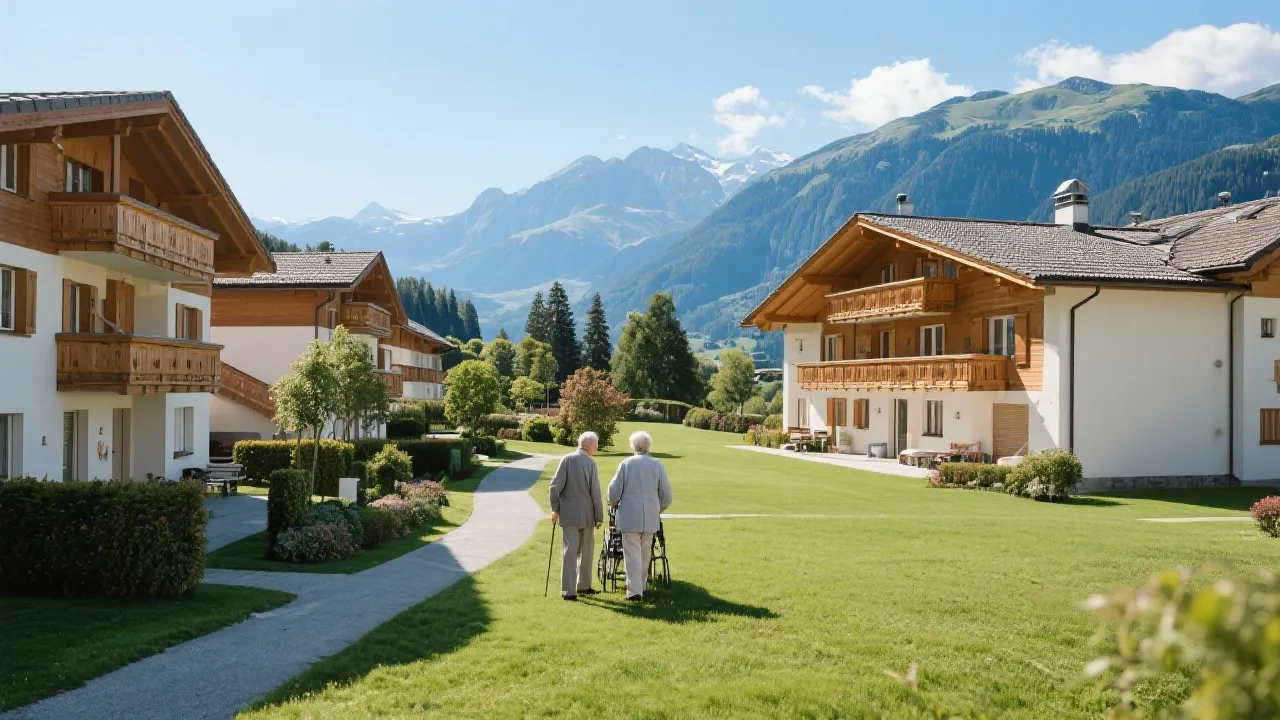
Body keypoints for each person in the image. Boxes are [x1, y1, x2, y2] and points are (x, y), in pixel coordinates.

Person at [607, 430, 673, 601]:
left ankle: (635, 591)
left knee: (632, 554)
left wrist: (612, 501)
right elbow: (666, 494)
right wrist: (658, 508)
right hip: (650, 514)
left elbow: (614, 490)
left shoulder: (626, 464)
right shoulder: (657, 465)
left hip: (630, 515)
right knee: (645, 553)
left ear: (633, 446)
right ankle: (641, 586)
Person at [548, 431, 603, 600]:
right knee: (586, 552)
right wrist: (599, 516)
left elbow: (555, 487)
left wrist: (555, 508)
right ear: (590, 445)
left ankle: (569, 591)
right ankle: (583, 586)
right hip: (587, 515)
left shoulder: (567, 459)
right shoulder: (591, 463)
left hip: (569, 514)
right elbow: (596, 493)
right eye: (597, 443)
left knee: (570, 552)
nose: (598, 446)